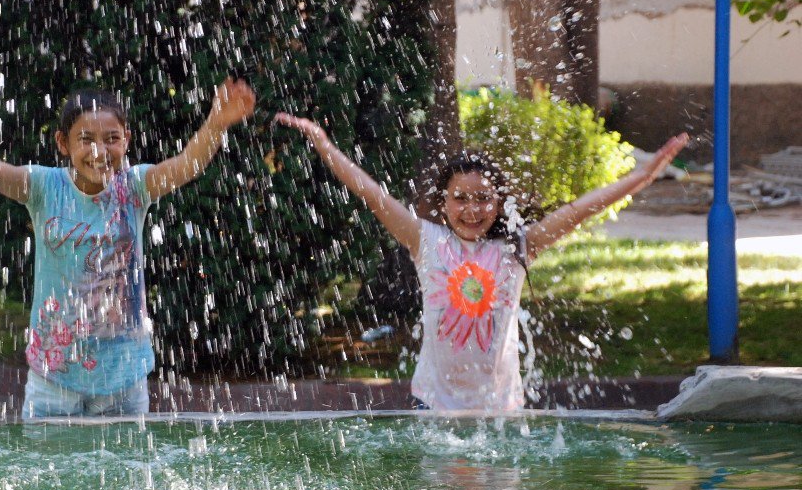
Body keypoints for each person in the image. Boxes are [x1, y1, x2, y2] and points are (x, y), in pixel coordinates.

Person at [0, 78, 255, 417]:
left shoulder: (134, 188)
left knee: (124, 488)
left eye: (111, 139)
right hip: (54, 379)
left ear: (127, 139)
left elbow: (186, 164)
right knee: (49, 484)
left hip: (123, 378)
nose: (99, 151)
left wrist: (216, 123)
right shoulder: (44, 188)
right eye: (85, 140)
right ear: (63, 143)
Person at [275, 112, 688, 412]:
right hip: (434, 404)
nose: (472, 210)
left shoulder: (515, 250)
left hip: (501, 408)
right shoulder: (425, 241)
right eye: (460, 198)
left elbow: (579, 210)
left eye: (483, 198)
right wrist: (325, 146)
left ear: (499, 203)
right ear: (443, 202)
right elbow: (371, 194)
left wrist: (643, 177)